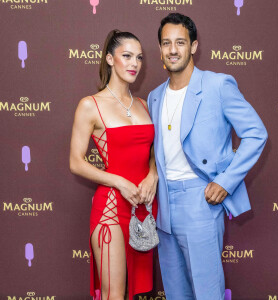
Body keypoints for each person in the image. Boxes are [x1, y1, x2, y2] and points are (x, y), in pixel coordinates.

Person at [147, 13, 268, 300]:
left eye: (180, 42)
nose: (173, 49)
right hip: (163, 206)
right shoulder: (154, 96)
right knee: (176, 293)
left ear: (194, 46)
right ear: (160, 49)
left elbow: (256, 133)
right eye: (166, 43)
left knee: (207, 292)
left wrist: (226, 181)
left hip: (200, 202)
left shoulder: (217, 85)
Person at [69, 30, 158, 300]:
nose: (134, 64)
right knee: (113, 295)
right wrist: (118, 181)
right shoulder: (90, 105)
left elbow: (151, 151)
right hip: (110, 207)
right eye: (127, 56)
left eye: (139, 58)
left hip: (143, 206)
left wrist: (153, 174)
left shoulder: (143, 103)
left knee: (136, 291)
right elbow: (75, 162)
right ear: (110, 59)